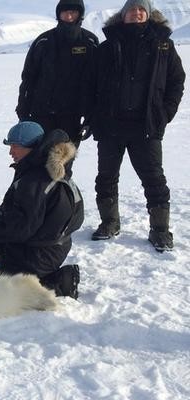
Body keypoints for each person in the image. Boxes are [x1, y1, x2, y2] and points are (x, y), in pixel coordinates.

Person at [90, 0, 185, 251]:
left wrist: (164, 113)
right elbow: (90, 85)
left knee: (154, 178)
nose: (137, 13)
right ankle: (110, 222)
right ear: (124, 15)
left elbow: (177, 80)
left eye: (141, 9)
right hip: (112, 125)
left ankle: (160, 230)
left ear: (148, 13)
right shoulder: (107, 47)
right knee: (106, 177)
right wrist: (95, 117)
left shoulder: (163, 44)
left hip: (146, 126)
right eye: (132, 9)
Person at [0, 121, 84, 299]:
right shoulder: (39, 166)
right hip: (51, 243)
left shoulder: (35, 181)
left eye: (15, 147)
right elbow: (12, 210)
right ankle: (22, 268)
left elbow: (20, 228)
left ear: (31, 147)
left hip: (41, 252)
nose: (11, 152)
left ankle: (58, 283)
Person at [16, 0, 99, 156]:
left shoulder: (89, 42)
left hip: (72, 116)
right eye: (65, 12)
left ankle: (62, 181)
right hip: (40, 113)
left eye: (73, 12)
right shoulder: (43, 42)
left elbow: (97, 83)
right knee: (37, 158)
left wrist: (91, 118)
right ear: (58, 14)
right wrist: (23, 111)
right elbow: (28, 79)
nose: (69, 16)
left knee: (63, 161)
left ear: (80, 14)